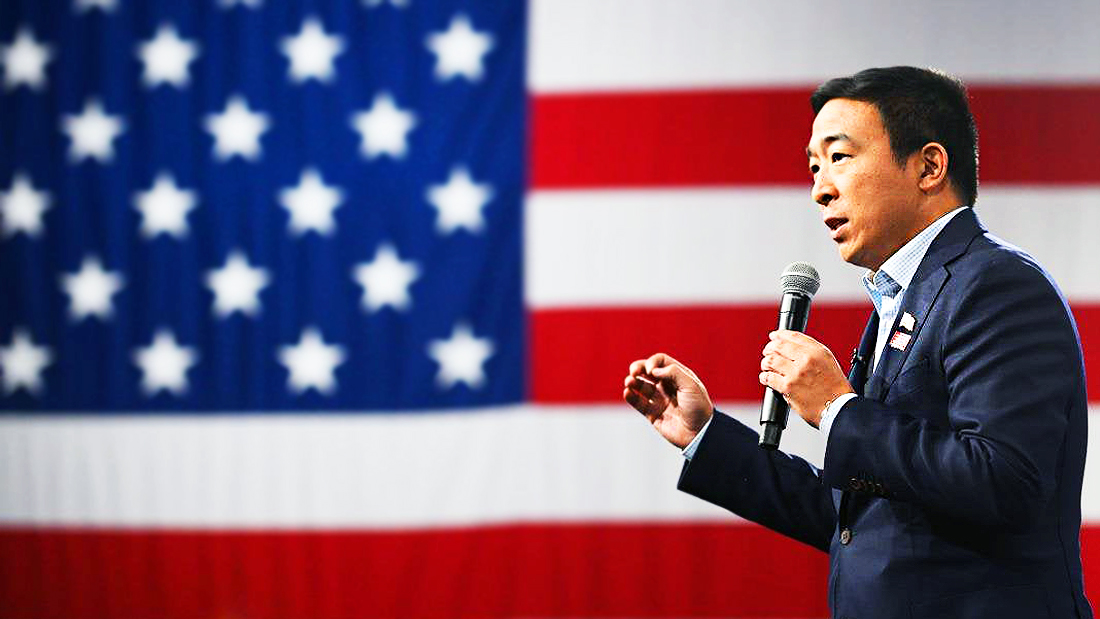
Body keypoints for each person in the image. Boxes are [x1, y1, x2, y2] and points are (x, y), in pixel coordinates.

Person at [622, 66, 1092, 619]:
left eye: (839, 157)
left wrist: (837, 410)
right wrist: (705, 435)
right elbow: (861, 521)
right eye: (814, 166)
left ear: (929, 167)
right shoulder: (902, 300)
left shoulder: (997, 284)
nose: (820, 188)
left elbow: (1004, 481)